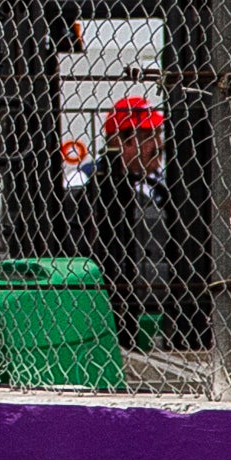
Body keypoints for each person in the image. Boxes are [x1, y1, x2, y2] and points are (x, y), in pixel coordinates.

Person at [72, 95, 169, 347]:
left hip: (163, 298)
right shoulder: (84, 184)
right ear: (120, 142)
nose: (157, 144)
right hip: (109, 299)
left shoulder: (165, 184)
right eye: (147, 136)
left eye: (157, 134)